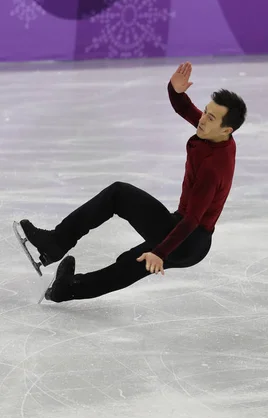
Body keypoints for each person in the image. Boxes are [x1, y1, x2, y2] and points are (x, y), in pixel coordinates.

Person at [17, 62, 247, 302]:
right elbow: (184, 108)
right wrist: (174, 89)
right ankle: (68, 289)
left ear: (226, 130)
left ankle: (55, 242)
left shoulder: (213, 168)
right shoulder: (213, 132)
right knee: (131, 262)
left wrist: (159, 252)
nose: (202, 119)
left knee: (119, 195)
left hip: (189, 238)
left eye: (210, 117)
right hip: (187, 236)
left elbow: (192, 221)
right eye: (206, 112)